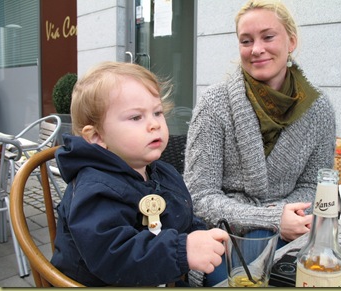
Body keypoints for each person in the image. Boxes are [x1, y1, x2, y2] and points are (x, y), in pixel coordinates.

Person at [183, 0, 336, 286]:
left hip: (294, 232)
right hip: (225, 236)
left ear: (291, 41)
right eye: (246, 40)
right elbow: (199, 196)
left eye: (268, 36)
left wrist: (286, 220)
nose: (256, 49)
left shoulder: (319, 109)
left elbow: (314, 186)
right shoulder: (214, 104)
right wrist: (272, 218)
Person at [50, 61, 229, 287]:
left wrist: (201, 235)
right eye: (136, 117)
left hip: (155, 275)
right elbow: (113, 255)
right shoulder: (94, 189)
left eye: (157, 112)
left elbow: (180, 215)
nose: (154, 124)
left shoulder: (161, 173)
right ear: (97, 137)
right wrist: (182, 250)